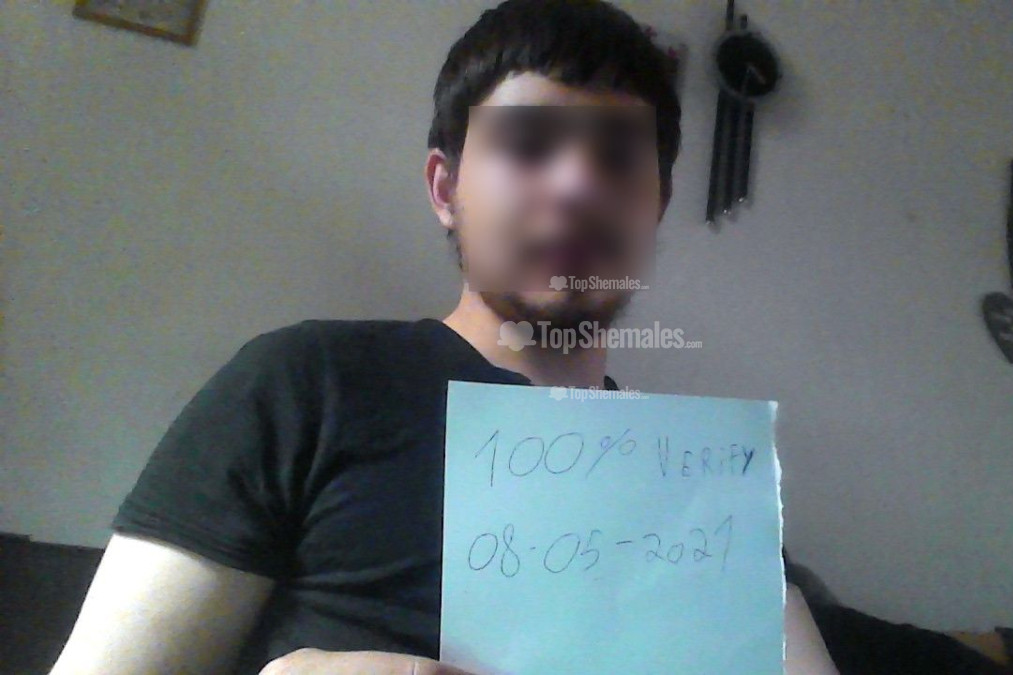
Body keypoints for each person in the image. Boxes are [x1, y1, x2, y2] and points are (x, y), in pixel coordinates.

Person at [49, 1, 840, 673]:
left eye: (617, 158)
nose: (577, 184)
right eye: (528, 146)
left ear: (654, 207)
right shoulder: (302, 384)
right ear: (445, 187)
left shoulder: (706, 477)